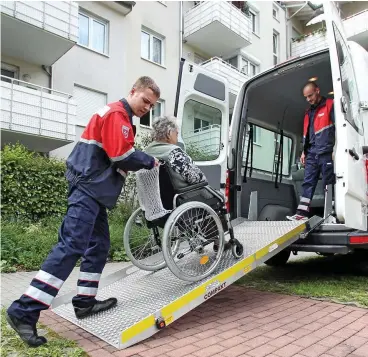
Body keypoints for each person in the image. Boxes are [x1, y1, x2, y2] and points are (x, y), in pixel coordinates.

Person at [6, 76, 161, 347]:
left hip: (94, 190)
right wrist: (149, 160)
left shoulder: (120, 117)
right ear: (133, 91)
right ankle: (23, 310)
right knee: (71, 246)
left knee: (99, 246)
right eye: (145, 101)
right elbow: (121, 156)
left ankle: (85, 302)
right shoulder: (117, 115)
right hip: (89, 187)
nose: (146, 108)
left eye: (151, 106)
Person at [144, 115, 231, 250]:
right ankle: (218, 240)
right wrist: (204, 180)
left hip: (157, 204)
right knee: (217, 198)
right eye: (176, 133)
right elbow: (195, 178)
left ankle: (202, 237)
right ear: (168, 133)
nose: (177, 137)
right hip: (181, 198)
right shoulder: (173, 152)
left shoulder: (146, 153)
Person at [287, 81, 335, 221]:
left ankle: (330, 213)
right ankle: (301, 214)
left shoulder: (330, 105)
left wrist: (336, 148)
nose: (308, 99)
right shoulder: (308, 112)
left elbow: (339, 127)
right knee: (307, 182)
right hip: (312, 153)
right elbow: (307, 134)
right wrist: (303, 152)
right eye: (306, 97)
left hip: (326, 151)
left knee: (328, 183)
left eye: (310, 95)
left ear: (318, 91)